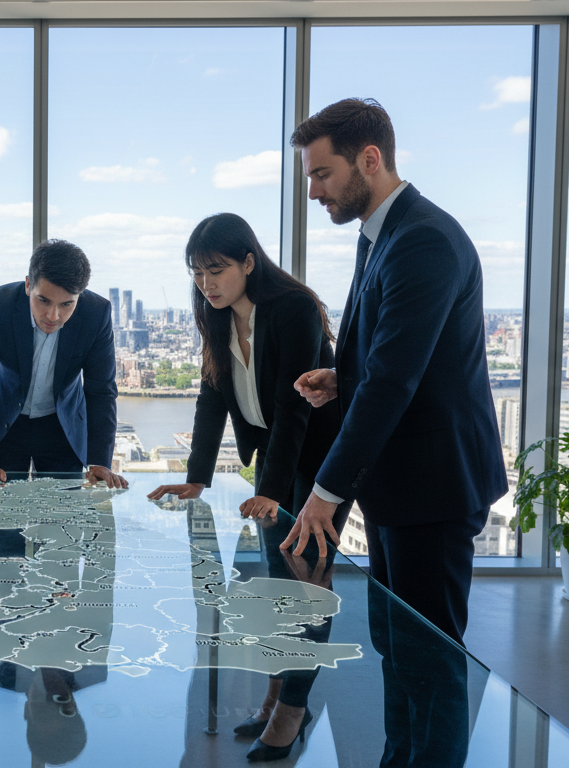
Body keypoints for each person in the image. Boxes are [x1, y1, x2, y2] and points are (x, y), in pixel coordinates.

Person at [287, 98, 506, 766]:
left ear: (370, 159)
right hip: (401, 485)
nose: (314, 191)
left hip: (434, 487)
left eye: (323, 174)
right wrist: (339, 376)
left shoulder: (425, 241)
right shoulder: (383, 233)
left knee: (430, 658)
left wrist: (324, 494)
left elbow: (396, 383)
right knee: (395, 643)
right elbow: (385, 359)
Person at [147, 213, 351, 759]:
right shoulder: (213, 314)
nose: (205, 283)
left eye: (216, 270)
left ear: (249, 263)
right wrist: (196, 478)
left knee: (307, 582)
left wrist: (276, 491)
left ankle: (290, 714)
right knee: (277, 585)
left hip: (324, 459)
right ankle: (276, 694)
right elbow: (213, 394)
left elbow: (293, 409)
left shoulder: (294, 309)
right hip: (276, 464)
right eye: (196, 273)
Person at [0, 240, 126, 488]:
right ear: (28, 285)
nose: (53, 316)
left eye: (67, 304)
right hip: (5, 423)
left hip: (62, 427)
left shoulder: (96, 313)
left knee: (61, 521)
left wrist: (100, 462)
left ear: (80, 295)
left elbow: (101, 391)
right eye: (44, 300)